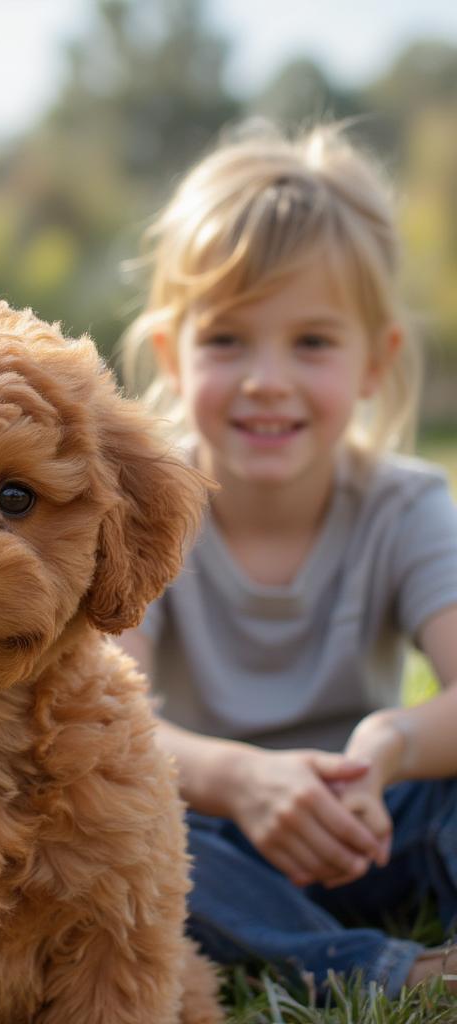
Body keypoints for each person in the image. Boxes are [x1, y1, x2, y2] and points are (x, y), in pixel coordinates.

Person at [116, 121, 457, 997]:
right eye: (228, 340)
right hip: (210, 832)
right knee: (99, 816)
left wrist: (387, 746)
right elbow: (107, 718)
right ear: (171, 355)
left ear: (375, 361)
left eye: (312, 342)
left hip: (371, 820)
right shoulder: (141, 510)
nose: (269, 378)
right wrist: (239, 778)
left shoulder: (406, 505)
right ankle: (376, 971)